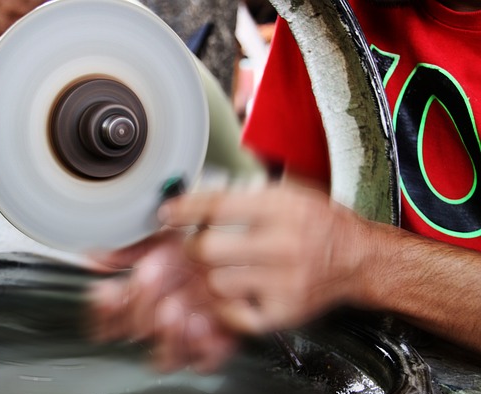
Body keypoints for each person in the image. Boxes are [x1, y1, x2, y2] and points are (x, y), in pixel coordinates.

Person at [90, 0, 481, 374]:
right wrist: (221, 267)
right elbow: (290, 215)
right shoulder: (327, 14)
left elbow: (341, 254)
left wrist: (365, 261)